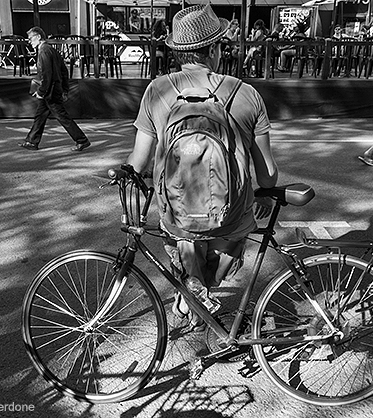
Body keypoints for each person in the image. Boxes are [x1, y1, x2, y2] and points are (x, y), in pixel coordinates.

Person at [126, 4, 278, 330]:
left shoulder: (157, 91)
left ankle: (192, 291)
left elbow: (137, 162)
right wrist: (263, 192)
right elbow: (267, 174)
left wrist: (124, 175)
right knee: (234, 232)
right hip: (232, 216)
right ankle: (201, 291)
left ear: (180, 52)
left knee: (184, 244)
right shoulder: (246, 94)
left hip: (178, 218)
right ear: (213, 49)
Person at [18, 26, 90, 152]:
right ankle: (32, 141)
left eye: (30, 38)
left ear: (39, 37)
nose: (29, 41)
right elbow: (63, 71)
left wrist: (41, 92)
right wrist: (65, 89)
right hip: (54, 89)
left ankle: (81, 140)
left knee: (62, 117)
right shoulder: (50, 50)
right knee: (41, 116)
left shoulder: (44, 51)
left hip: (50, 92)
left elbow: (47, 74)